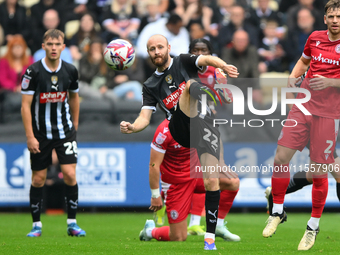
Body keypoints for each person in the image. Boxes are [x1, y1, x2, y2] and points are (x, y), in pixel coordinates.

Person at [120, 34, 239, 250]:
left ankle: (209, 239)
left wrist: (224, 66)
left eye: (159, 47)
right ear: (148, 53)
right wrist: (133, 127)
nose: (156, 52)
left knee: (214, 183)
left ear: (168, 47)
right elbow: (144, 118)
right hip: (180, 131)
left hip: (204, 129)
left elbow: (206, 60)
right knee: (190, 85)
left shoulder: (183, 60)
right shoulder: (150, 85)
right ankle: (217, 93)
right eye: (152, 49)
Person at [262, 0, 340, 250]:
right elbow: (303, 61)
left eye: (339, 16)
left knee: (320, 170)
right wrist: (292, 78)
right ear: (325, 18)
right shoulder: (315, 37)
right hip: (303, 106)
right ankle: (276, 212)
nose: (336, 20)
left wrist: (331, 83)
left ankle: (313, 227)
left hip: (328, 114)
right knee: (280, 157)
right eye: (332, 16)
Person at [21, 29, 85, 237]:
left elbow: (74, 98)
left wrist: (74, 125)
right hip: (40, 134)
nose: (54, 48)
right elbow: (25, 106)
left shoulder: (70, 70)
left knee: (70, 174)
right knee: (38, 178)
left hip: (65, 131)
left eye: (57, 44)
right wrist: (30, 136)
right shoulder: (32, 72)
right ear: (43, 47)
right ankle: (36, 225)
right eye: (50, 44)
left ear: (63, 47)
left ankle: (72, 223)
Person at [141, 118, 240, 242]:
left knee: (233, 182)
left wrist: (220, 161)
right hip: (177, 183)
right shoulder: (164, 131)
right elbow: (153, 165)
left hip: (197, 174)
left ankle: (218, 226)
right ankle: (150, 231)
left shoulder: (199, 121)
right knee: (178, 237)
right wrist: (155, 195)